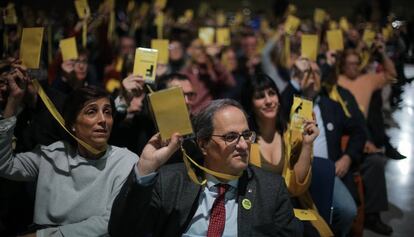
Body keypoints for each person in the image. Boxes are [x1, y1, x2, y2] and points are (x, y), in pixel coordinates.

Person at [109, 99, 302, 236]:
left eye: (246, 135)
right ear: (203, 144)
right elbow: (122, 230)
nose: (243, 145)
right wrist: (144, 170)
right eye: (230, 137)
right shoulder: (170, 181)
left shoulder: (271, 188)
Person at [0, 68, 138, 236]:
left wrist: (43, 236)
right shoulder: (52, 154)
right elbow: (5, 165)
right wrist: (13, 101)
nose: (103, 120)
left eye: (107, 112)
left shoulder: (125, 161)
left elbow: (108, 223)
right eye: (91, 112)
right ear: (72, 124)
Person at [281, 58, 366, 237]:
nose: (313, 77)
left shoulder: (331, 106)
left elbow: (359, 130)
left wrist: (348, 157)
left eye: (317, 72)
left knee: (347, 211)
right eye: (307, 72)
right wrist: (296, 84)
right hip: (293, 170)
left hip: (328, 170)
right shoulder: (288, 102)